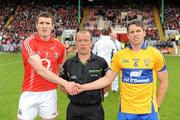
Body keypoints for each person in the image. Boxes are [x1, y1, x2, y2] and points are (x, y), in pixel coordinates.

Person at [77, 20, 169, 120]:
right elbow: (107, 79)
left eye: (138, 31)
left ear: (144, 33)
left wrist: (157, 105)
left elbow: (164, 81)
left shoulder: (155, 54)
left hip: (149, 111)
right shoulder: (119, 55)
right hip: (126, 111)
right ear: (128, 36)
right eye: (132, 32)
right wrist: (83, 87)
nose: (135, 34)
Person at [17, 11, 77, 120]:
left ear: (53, 26)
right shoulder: (29, 43)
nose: (44, 26)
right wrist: (66, 83)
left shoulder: (60, 46)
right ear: (36, 25)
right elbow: (40, 70)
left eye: (48, 23)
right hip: (30, 92)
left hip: (50, 93)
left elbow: (61, 70)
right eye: (41, 23)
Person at [60, 30, 109, 120]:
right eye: (79, 40)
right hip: (74, 109)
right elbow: (62, 86)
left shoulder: (101, 62)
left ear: (91, 43)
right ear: (76, 43)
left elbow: (108, 83)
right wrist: (72, 92)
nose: (83, 43)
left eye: (86, 40)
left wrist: (96, 95)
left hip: (95, 109)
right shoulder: (68, 63)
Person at [92, 29, 114, 96]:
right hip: (108, 61)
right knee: (107, 76)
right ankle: (105, 92)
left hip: (98, 60)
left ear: (101, 33)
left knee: (99, 76)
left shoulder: (98, 42)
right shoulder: (111, 42)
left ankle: (98, 89)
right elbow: (115, 52)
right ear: (109, 33)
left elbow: (93, 52)